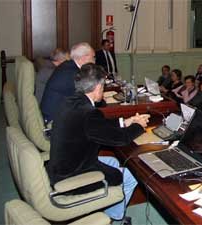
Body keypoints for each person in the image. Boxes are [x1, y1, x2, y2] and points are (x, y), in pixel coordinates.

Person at [47, 63, 149, 222]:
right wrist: (139, 126)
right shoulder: (88, 114)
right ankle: (113, 216)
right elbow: (120, 139)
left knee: (113, 161)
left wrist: (127, 121)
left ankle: (108, 206)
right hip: (71, 176)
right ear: (97, 87)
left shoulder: (72, 102)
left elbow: (99, 126)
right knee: (131, 176)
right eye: (103, 85)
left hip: (63, 165)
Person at [41, 42, 95, 122]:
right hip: (54, 120)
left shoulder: (68, 66)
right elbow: (85, 98)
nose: (94, 61)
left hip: (54, 114)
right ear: (84, 58)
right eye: (93, 57)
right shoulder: (72, 73)